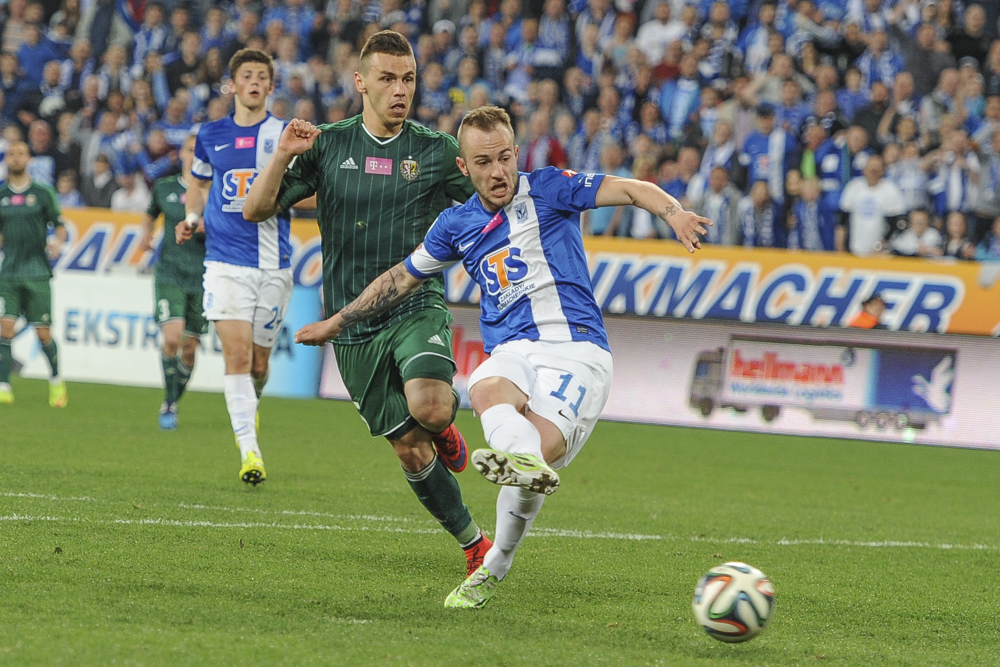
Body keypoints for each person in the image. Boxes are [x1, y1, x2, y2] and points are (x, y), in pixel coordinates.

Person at [293, 106, 711, 609]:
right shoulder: (456, 223)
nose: (498, 172)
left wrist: (675, 214)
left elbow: (629, 188)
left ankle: (497, 561)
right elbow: (400, 278)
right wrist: (337, 323)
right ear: (463, 168)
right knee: (487, 385)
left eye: (506, 158)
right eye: (484, 162)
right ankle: (520, 462)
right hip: (513, 351)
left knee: (542, 450)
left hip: (578, 351)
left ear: (517, 154)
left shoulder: (553, 188)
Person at [242, 31, 493, 578]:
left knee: (429, 408)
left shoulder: (434, 150)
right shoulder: (328, 144)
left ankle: (443, 421)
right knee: (408, 449)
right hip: (351, 323)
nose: (400, 89)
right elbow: (255, 210)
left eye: (408, 79)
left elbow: (492, 202)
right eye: (387, 78)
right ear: (360, 82)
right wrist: (282, 154)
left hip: (413, 302)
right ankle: (474, 542)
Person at [176, 49, 297, 486]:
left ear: (270, 85)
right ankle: (250, 451)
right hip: (225, 263)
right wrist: (192, 219)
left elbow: (306, 188)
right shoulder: (210, 134)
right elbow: (199, 185)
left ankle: (251, 407)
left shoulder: (284, 134)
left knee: (259, 365)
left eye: (261, 76)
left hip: (273, 265)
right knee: (238, 355)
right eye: (246, 75)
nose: (253, 82)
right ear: (233, 84)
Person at [139, 135, 206, 430]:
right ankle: (169, 402)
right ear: (181, 154)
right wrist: (145, 234)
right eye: (191, 150)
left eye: (199, 151)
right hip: (169, 273)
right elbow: (149, 213)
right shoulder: (164, 187)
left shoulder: (214, 191)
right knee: (172, 339)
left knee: (190, 349)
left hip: (204, 277)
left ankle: (173, 401)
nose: (194, 156)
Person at [0, 141, 68, 406]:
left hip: (38, 271)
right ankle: (4, 384)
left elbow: (59, 226)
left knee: (43, 333)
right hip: (9, 272)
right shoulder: (2, 194)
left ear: (28, 159)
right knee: (5, 327)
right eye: (11, 155)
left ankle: (56, 380)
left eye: (21, 154)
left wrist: (58, 242)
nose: (16, 158)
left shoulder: (43, 193)